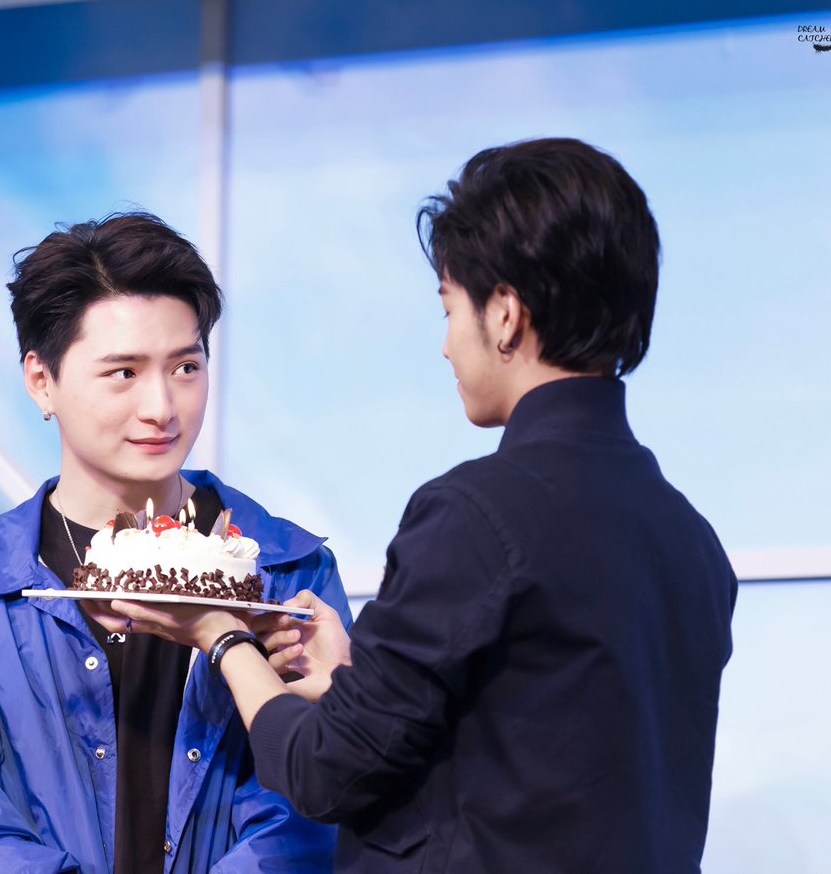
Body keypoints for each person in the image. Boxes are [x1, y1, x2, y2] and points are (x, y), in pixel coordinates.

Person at [90, 139, 738, 873]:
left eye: (449, 307)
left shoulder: (475, 516)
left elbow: (320, 772)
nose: (447, 346)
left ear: (505, 315)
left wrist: (221, 635)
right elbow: (534, 758)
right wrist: (355, 680)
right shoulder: (692, 540)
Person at [0, 213, 351, 874]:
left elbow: (312, 822)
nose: (162, 406)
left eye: (185, 366)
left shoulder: (288, 572)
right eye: (124, 372)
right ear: (41, 381)